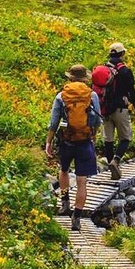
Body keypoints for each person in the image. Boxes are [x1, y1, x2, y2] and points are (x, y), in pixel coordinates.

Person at [46, 63, 102, 231]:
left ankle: (65, 203)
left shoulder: (61, 96)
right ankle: (76, 217)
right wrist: (93, 135)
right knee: (82, 180)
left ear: (70, 77)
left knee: (63, 170)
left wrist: (48, 142)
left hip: (66, 140)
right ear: (85, 78)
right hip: (85, 141)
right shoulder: (91, 95)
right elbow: (98, 121)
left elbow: (53, 123)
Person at [92, 42, 135, 180]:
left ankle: (111, 166)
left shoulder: (102, 70)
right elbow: (132, 92)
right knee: (125, 138)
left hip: (105, 109)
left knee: (108, 139)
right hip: (120, 109)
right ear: (122, 54)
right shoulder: (125, 71)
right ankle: (116, 161)